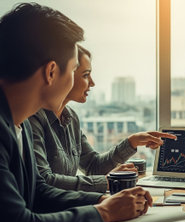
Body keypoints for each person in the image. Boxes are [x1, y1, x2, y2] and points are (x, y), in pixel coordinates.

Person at [0, 3, 152, 222]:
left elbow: (38, 192)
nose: (75, 82)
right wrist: (104, 213)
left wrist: (101, 201)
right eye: (73, 71)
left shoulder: (18, 119)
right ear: (51, 72)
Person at [29, 45, 176, 193]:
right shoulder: (33, 119)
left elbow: (93, 166)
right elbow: (44, 181)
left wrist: (131, 142)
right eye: (85, 75)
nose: (92, 83)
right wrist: (108, 182)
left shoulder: (71, 118)